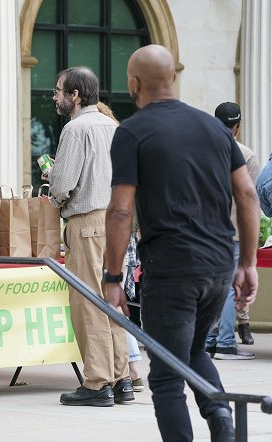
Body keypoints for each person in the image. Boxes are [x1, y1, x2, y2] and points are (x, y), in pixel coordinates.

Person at [104, 44, 259, 442]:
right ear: (172, 78)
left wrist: (112, 276)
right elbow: (247, 195)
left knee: (168, 375)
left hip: (172, 267)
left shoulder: (132, 130)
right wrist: (247, 262)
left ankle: (217, 423)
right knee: (191, 352)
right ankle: (223, 422)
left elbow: (121, 210)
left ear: (133, 83)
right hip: (218, 263)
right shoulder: (214, 128)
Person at [46, 67, 132, 407]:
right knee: (113, 296)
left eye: (59, 90)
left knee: (88, 302)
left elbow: (63, 183)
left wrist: (53, 192)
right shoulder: (114, 126)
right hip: (117, 219)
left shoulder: (75, 128)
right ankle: (122, 377)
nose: (55, 96)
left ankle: (97, 382)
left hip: (87, 220)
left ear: (76, 95)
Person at [97, 101, 145, 392]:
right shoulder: (119, 144)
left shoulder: (120, 148)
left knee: (114, 302)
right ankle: (131, 370)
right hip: (125, 234)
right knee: (118, 304)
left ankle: (131, 369)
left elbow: (122, 207)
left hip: (114, 233)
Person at [205, 102, 259, 358]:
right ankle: (226, 342)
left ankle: (209, 340)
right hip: (234, 230)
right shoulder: (245, 154)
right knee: (228, 287)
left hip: (205, 229)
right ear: (237, 126)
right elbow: (250, 198)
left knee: (212, 284)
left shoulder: (200, 150)